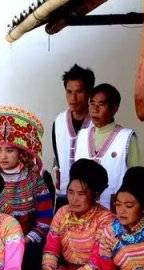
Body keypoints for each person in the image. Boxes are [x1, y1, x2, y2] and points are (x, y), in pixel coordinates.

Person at [0, 105, 54, 270]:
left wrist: (25, 240)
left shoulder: (35, 180)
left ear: (21, 152)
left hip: (27, 246)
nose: (3, 156)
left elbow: (45, 221)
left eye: (9, 150)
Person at [74, 83, 140, 210]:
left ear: (114, 108)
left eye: (101, 104)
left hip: (114, 211)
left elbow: (135, 180)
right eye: (92, 103)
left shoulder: (126, 137)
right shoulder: (82, 135)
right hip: (84, 211)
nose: (95, 109)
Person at [51, 64, 94, 209]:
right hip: (64, 194)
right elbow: (58, 157)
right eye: (69, 92)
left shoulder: (97, 122)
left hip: (90, 196)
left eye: (79, 92)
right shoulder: (59, 121)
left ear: (89, 92)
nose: (73, 98)